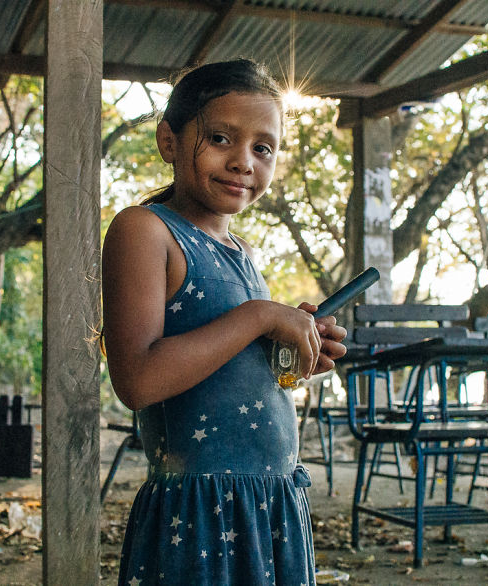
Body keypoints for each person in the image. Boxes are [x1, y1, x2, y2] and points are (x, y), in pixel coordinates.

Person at [102, 58, 348, 586]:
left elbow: (233, 371)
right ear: (169, 141)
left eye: (263, 147)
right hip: (200, 516)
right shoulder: (145, 230)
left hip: (271, 504)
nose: (244, 161)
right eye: (220, 138)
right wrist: (260, 316)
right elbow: (138, 380)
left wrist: (292, 358)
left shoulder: (241, 251)